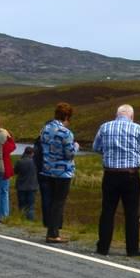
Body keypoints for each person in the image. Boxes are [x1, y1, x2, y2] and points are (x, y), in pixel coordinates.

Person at [92, 104, 140, 256]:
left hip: (110, 174)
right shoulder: (137, 129)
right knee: (132, 213)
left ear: (116, 114)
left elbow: (96, 147)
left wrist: (108, 152)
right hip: (131, 175)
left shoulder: (105, 127)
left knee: (107, 211)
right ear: (131, 116)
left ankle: (103, 248)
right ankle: (132, 249)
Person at [38, 103, 79, 244]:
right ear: (67, 116)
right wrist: (76, 146)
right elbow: (69, 154)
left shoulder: (45, 129)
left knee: (50, 201)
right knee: (58, 202)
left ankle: (51, 230)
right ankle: (53, 233)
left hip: (47, 170)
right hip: (62, 173)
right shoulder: (65, 133)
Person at [15, 144, 39, 221]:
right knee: (31, 206)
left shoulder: (20, 161)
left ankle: (21, 219)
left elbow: (15, 171)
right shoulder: (35, 162)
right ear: (32, 153)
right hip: (32, 187)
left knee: (22, 205)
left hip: (21, 186)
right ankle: (30, 220)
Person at [0, 130, 17, 222]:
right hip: (5, 170)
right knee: (4, 192)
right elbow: (13, 145)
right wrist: (9, 137)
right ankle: (5, 214)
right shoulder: (6, 146)